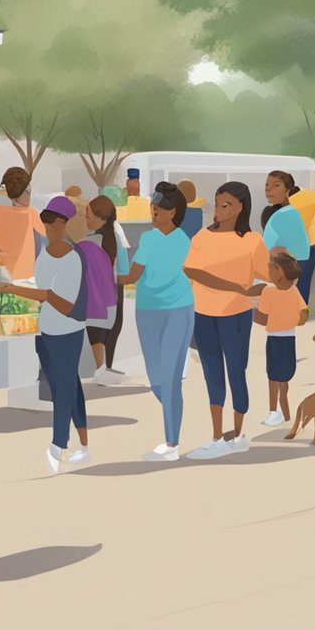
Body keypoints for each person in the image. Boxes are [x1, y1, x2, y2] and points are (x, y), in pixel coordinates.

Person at [182, 181, 269, 461]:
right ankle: (217, 436)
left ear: (241, 207)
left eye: (226, 205)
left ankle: (239, 435)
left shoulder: (252, 240)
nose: (218, 210)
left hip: (236, 316)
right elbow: (193, 271)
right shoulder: (202, 237)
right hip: (204, 314)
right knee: (212, 375)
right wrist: (238, 287)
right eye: (218, 204)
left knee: (236, 371)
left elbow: (267, 275)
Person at [4, 196, 88, 475]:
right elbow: (43, 289)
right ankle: (84, 444)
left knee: (62, 390)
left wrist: (20, 291)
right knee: (68, 385)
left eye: (49, 222)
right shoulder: (45, 251)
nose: (46, 227)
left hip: (67, 331)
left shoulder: (73, 259)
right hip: (45, 329)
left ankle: (57, 446)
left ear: (61, 223)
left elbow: (64, 303)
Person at [119, 182, 194, 462]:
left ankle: (172, 442)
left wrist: (107, 276)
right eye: (153, 207)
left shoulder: (183, 240)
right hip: (148, 311)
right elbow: (135, 275)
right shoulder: (150, 239)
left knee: (170, 377)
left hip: (178, 309)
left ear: (173, 211)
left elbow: (131, 276)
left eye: (159, 208)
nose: (154, 211)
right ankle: (173, 415)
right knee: (157, 381)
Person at [253, 253, 306, 428]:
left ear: (280, 271)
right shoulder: (294, 290)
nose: (267, 270)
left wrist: (249, 308)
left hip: (275, 340)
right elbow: (304, 313)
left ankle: (274, 412)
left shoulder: (268, 292)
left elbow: (261, 318)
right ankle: (285, 413)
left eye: (270, 267)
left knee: (273, 378)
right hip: (289, 339)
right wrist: (291, 320)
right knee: (284, 378)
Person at [83, 196, 130, 378]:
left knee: (95, 328)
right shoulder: (118, 236)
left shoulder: (92, 240)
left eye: (88, 216)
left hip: (97, 289)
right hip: (116, 287)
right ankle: (107, 366)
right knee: (112, 327)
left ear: (100, 217)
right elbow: (124, 269)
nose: (86, 219)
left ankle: (101, 367)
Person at [0, 167, 45, 284]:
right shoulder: (30, 213)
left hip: (15, 275)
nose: (29, 194)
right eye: (27, 190)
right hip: (16, 276)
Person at [260, 172, 310, 284]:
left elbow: (285, 249)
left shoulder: (288, 214)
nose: (268, 189)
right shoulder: (273, 212)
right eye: (267, 185)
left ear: (288, 190)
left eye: (276, 185)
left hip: (281, 271)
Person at [288, 181, 315, 304]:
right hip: (310, 245)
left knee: (298, 280)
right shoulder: (305, 197)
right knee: (304, 280)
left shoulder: (286, 206)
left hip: (297, 246)